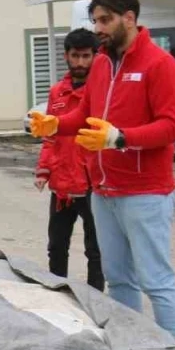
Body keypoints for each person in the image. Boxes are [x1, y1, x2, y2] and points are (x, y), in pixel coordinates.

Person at [28, 0, 175, 346]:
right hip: (102, 189)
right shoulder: (101, 63)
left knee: (156, 281)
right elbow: (86, 114)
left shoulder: (161, 65)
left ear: (129, 19)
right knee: (119, 279)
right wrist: (57, 124)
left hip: (145, 192)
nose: (98, 27)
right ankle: (131, 349)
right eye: (94, 20)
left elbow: (172, 126)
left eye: (105, 20)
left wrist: (119, 138)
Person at [34, 27, 104, 291]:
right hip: (62, 185)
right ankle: (57, 295)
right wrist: (43, 170)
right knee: (56, 246)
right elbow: (50, 136)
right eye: (75, 56)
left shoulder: (101, 91)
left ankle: (95, 299)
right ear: (66, 56)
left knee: (95, 249)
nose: (80, 63)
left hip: (92, 183)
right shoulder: (57, 93)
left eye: (86, 56)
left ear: (95, 56)